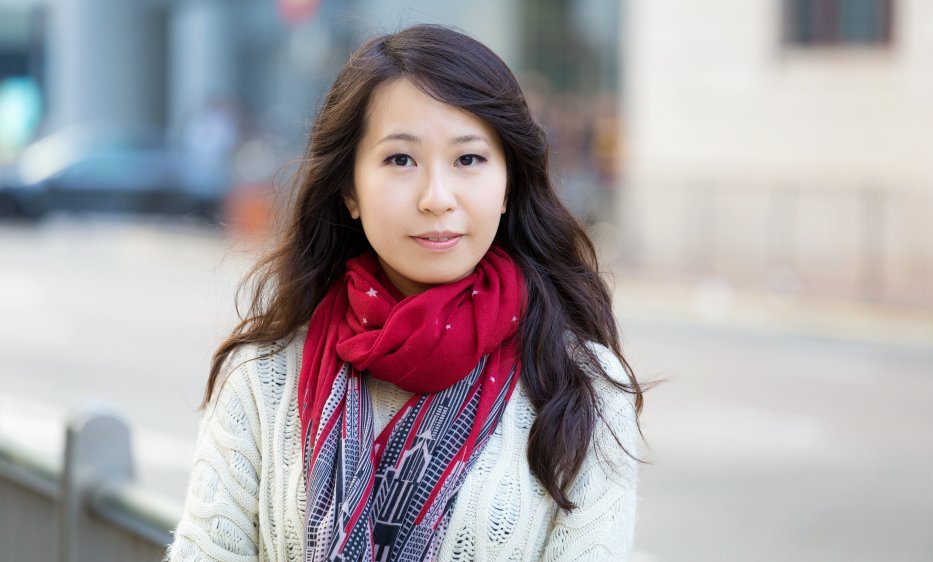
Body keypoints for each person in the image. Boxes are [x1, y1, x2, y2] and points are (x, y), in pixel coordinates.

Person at [168, 24, 645, 562]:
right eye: (401, 160)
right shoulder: (262, 378)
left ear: (508, 183)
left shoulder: (581, 386)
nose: (437, 198)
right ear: (349, 188)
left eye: (468, 159)